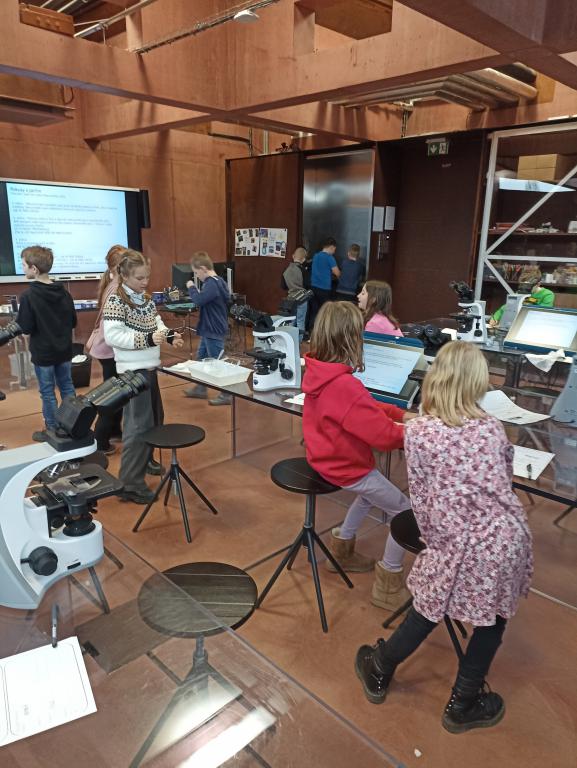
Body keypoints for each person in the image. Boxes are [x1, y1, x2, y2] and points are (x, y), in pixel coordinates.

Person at [355, 342, 533, 734]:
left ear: (436, 378)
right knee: (492, 621)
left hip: (456, 539)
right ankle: (463, 703)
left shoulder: (419, 433)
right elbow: (503, 482)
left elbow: (421, 498)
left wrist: (439, 544)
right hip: (505, 538)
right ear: (477, 383)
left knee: (428, 606)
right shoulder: (491, 427)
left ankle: (380, 667)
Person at [302, 301, 415, 611]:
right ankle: (388, 582)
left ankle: (342, 549)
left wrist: (401, 415)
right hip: (347, 468)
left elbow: (364, 404)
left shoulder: (321, 371)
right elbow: (384, 436)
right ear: (352, 339)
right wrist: (419, 433)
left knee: (368, 496)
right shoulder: (343, 385)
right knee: (405, 512)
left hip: (327, 459)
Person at [103, 249, 183, 504]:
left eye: (147, 276)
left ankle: (144, 461)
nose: (145, 282)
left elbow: (156, 323)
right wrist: (148, 339)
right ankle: (130, 483)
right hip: (132, 372)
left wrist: (168, 335)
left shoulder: (145, 299)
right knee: (138, 427)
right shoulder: (116, 300)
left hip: (149, 369)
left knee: (154, 420)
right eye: (139, 278)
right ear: (124, 276)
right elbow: (113, 336)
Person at [16, 246, 77, 442]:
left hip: (43, 354)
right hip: (64, 351)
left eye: (23, 265)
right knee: (67, 387)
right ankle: (71, 425)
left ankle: (52, 428)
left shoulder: (28, 296)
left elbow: (25, 327)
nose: (22, 268)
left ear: (34, 269)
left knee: (47, 392)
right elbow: (73, 322)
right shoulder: (65, 293)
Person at [86, 245, 127, 455]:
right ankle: (100, 440)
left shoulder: (115, 286)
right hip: (110, 351)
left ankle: (114, 431)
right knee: (112, 397)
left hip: (107, 350)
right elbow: (113, 330)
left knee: (116, 392)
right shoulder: (117, 290)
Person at [183, 251, 231, 406]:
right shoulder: (219, 281)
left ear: (203, 269)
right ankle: (200, 388)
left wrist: (191, 287)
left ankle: (227, 394)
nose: (197, 276)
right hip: (209, 328)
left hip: (212, 328)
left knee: (218, 362)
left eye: (197, 273)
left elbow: (199, 300)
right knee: (202, 359)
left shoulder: (211, 284)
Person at [489, 278, 555, 327]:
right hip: (518, 323)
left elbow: (543, 311)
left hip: (535, 324)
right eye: (523, 286)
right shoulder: (522, 292)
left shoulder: (548, 294)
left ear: (538, 284)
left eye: (528, 287)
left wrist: (528, 302)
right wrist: (495, 318)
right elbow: (507, 307)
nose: (525, 290)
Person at [309, 237, 340, 329]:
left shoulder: (316, 256)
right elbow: (337, 273)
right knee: (325, 311)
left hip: (313, 287)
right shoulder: (330, 258)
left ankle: (312, 330)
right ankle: (322, 330)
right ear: (331, 247)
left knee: (314, 310)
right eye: (334, 249)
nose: (334, 252)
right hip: (324, 289)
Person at [283, 246, 309, 341]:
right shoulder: (303, 270)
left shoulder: (286, 270)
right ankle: (299, 340)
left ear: (293, 256)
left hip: (290, 298)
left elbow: (283, 286)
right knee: (300, 320)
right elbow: (307, 285)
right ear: (304, 259)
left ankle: (289, 339)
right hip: (302, 298)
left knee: (290, 320)